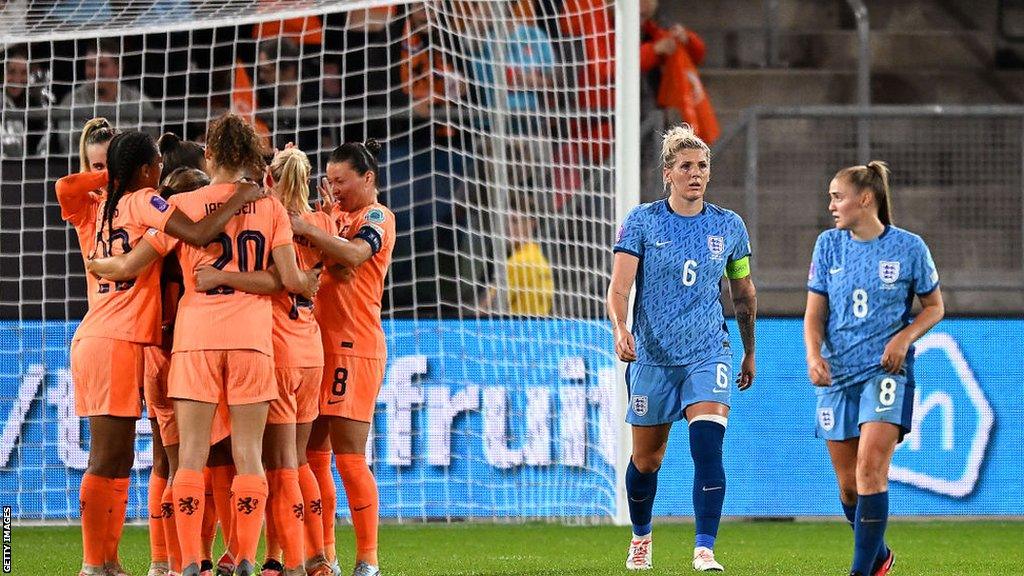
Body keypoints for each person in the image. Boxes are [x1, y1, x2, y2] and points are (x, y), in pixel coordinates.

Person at [57, 129, 261, 576]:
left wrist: (109, 178)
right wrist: (239, 197)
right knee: (110, 458)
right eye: (155, 167)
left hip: (110, 337)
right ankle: (97, 564)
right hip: (117, 339)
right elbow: (200, 231)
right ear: (149, 170)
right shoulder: (145, 201)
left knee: (120, 458)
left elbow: (64, 188)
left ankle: (109, 563)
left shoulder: (102, 208)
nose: (160, 174)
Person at [607, 123, 756, 572]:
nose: (696, 173)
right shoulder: (643, 221)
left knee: (708, 448)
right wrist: (619, 327)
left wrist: (749, 350)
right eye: (686, 166)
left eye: (703, 166)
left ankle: (704, 548)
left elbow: (743, 292)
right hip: (652, 355)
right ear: (668, 172)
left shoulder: (729, 227)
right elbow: (619, 289)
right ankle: (640, 537)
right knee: (646, 460)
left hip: (709, 352)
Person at [192, 147, 334, 576]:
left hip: (272, 349)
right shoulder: (323, 222)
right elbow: (318, 274)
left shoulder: (266, 217)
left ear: (268, 179)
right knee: (299, 460)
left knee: (271, 465)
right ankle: (316, 555)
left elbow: (282, 278)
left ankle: (283, 560)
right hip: (312, 350)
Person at [805, 161, 944, 576]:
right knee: (849, 486)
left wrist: (903, 338)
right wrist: (814, 356)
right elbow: (814, 315)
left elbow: (934, 307)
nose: (831, 204)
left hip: (886, 375)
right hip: (838, 376)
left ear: (865, 199)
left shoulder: (909, 247)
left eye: (837, 196)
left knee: (870, 469)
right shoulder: (827, 245)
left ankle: (861, 572)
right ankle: (880, 556)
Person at [289, 139, 395, 576]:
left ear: (367, 179)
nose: (333, 190)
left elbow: (352, 256)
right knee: (312, 454)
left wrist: (314, 232)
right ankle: (323, 555)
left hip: (355, 345)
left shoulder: (376, 216)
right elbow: (336, 262)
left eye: (341, 181)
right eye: (328, 181)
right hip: (314, 343)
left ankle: (368, 559)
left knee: (349, 455)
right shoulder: (331, 216)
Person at [481, 194, 555, 316]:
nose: (508, 227)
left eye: (514, 221)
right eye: (506, 221)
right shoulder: (541, 260)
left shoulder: (518, 262)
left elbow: (484, 311)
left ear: (532, 223)